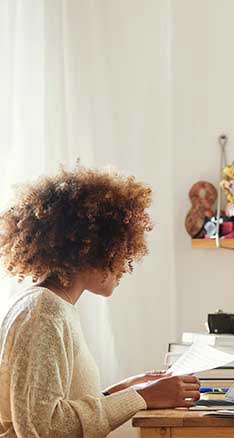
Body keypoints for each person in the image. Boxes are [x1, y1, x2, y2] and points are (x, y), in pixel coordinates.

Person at [0, 167, 200, 438]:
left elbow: (55, 408)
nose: (125, 264)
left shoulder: (53, 305)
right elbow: (43, 428)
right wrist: (139, 397)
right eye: (122, 249)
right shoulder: (44, 312)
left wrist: (123, 390)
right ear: (93, 247)